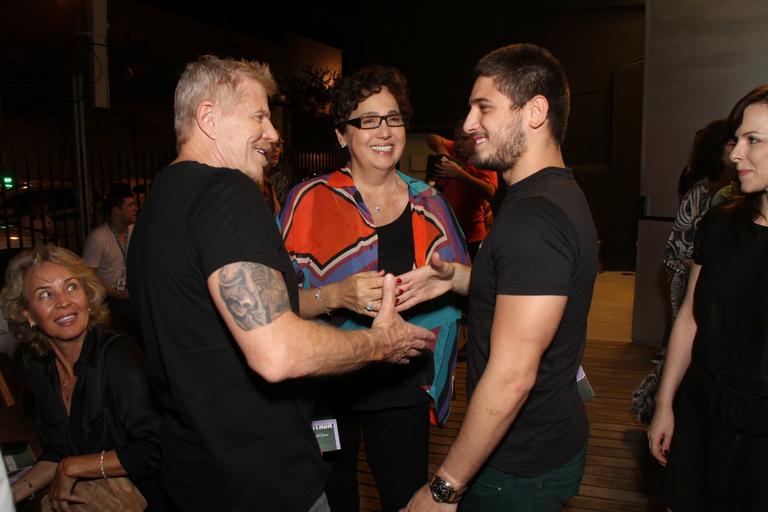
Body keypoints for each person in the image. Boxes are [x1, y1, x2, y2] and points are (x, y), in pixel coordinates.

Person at [127, 55, 435, 512]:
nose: (273, 134)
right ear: (208, 118)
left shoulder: (157, 206)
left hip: (194, 478)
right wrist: (379, 345)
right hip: (265, 482)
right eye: (259, 116)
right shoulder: (225, 192)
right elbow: (277, 352)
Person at [400, 43, 598, 511]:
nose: (468, 124)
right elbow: (531, 292)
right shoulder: (548, 193)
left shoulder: (535, 217)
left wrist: (444, 488)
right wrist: (458, 280)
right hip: (547, 439)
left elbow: (511, 376)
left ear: (535, 111)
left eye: (484, 107)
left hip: (517, 464)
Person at [277, 65, 469, 512]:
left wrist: (450, 286)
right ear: (343, 135)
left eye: (394, 117)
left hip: (403, 387)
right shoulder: (308, 201)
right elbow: (275, 305)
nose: (384, 131)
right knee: (334, 500)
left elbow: (465, 290)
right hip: (328, 387)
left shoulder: (430, 203)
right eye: (367, 120)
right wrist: (336, 295)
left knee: (406, 500)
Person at [648, 84, 768, 511]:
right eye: (738, 139)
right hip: (703, 410)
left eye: (753, 140)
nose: (735, 154)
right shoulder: (718, 224)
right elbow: (689, 319)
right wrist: (665, 404)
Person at [1, 246, 163, 509]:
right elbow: (57, 452)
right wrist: (9, 496)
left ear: (87, 295)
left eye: (71, 287)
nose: (64, 302)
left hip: (142, 497)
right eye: (45, 294)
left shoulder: (117, 354)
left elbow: (153, 450)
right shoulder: (37, 364)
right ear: (27, 315)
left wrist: (74, 467)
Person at [662, 120, 736, 328]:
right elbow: (684, 251)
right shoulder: (701, 192)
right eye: (733, 143)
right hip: (697, 289)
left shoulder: (739, 193)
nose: (739, 150)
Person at [427, 120, 498, 259]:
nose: (459, 143)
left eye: (464, 139)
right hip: (445, 232)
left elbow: (490, 191)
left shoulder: (484, 158)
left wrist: (459, 174)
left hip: (470, 236)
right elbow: (432, 138)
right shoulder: (455, 149)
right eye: (456, 138)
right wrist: (443, 154)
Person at [82, 183, 138, 328]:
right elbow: (88, 276)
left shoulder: (135, 230)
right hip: (109, 296)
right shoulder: (98, 237)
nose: (135, 208)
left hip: (130, 290)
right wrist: (118, 295)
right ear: (116, 211)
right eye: (130, 205)